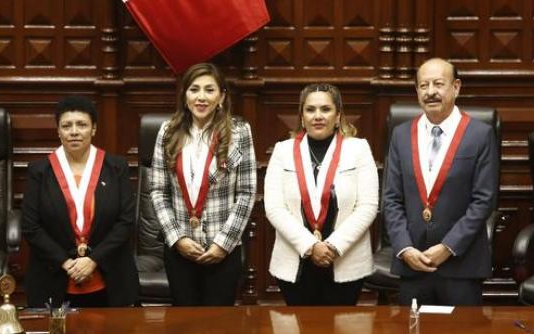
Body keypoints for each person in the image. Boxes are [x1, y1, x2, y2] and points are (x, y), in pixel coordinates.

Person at [384, 58, 498, 306]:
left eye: (438, 84)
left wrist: (447, 247)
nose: (431, 92)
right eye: (423, 85)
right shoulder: (401, 135)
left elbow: (484, 200)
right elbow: (391, 199)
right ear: (416, 91)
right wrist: (404, 248)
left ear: (456, 87)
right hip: (413, 263)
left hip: (460, 264)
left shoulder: (480, 134)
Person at [150, 62, 257, 306]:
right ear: (185, 95)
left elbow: (247, 193)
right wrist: (177, 238)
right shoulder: (167, 132)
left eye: (209, 90)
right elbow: (158, 191)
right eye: (194, 89)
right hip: (180, 249)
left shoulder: (240, 132)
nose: (201, 97)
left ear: (222, 96)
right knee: (183, 324)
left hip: (223, 250)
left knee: (218, 325)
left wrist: (223, 243)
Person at [264, 83, 378, 305]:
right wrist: (311, 246)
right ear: (302, 116)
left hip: (345, 261)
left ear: (337, 116)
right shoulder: (283, 151)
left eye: (325, 109)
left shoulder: (359, 149)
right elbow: (274, 208)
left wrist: (332, 246)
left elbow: (368, 206)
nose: (318, 116)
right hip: (295, 262)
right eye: (310, 109)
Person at [22, 95, 139, 307]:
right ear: (58, 131)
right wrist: (66, 263)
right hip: (54, 276)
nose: (74, 131)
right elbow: (31, 227)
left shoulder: (116, 167)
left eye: (82, 124)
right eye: (66, 125)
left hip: (110, 275)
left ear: (94, 128)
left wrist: (93, 260)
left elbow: (126, 221)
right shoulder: (39, 171)